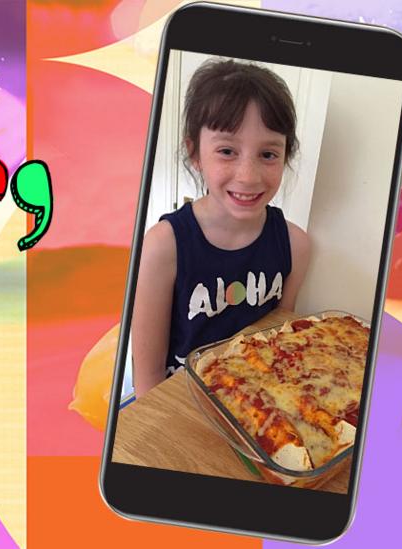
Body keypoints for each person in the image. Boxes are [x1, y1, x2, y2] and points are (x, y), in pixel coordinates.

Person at [131, 58, 311, 398]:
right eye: (227, 151)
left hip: (257, 408)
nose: (248, 175)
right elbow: (148, 379)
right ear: (195, 153)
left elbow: (279, 344)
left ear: (286, 155)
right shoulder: (163, 247)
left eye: (268, 154)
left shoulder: (296, 245)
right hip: (180, 405)